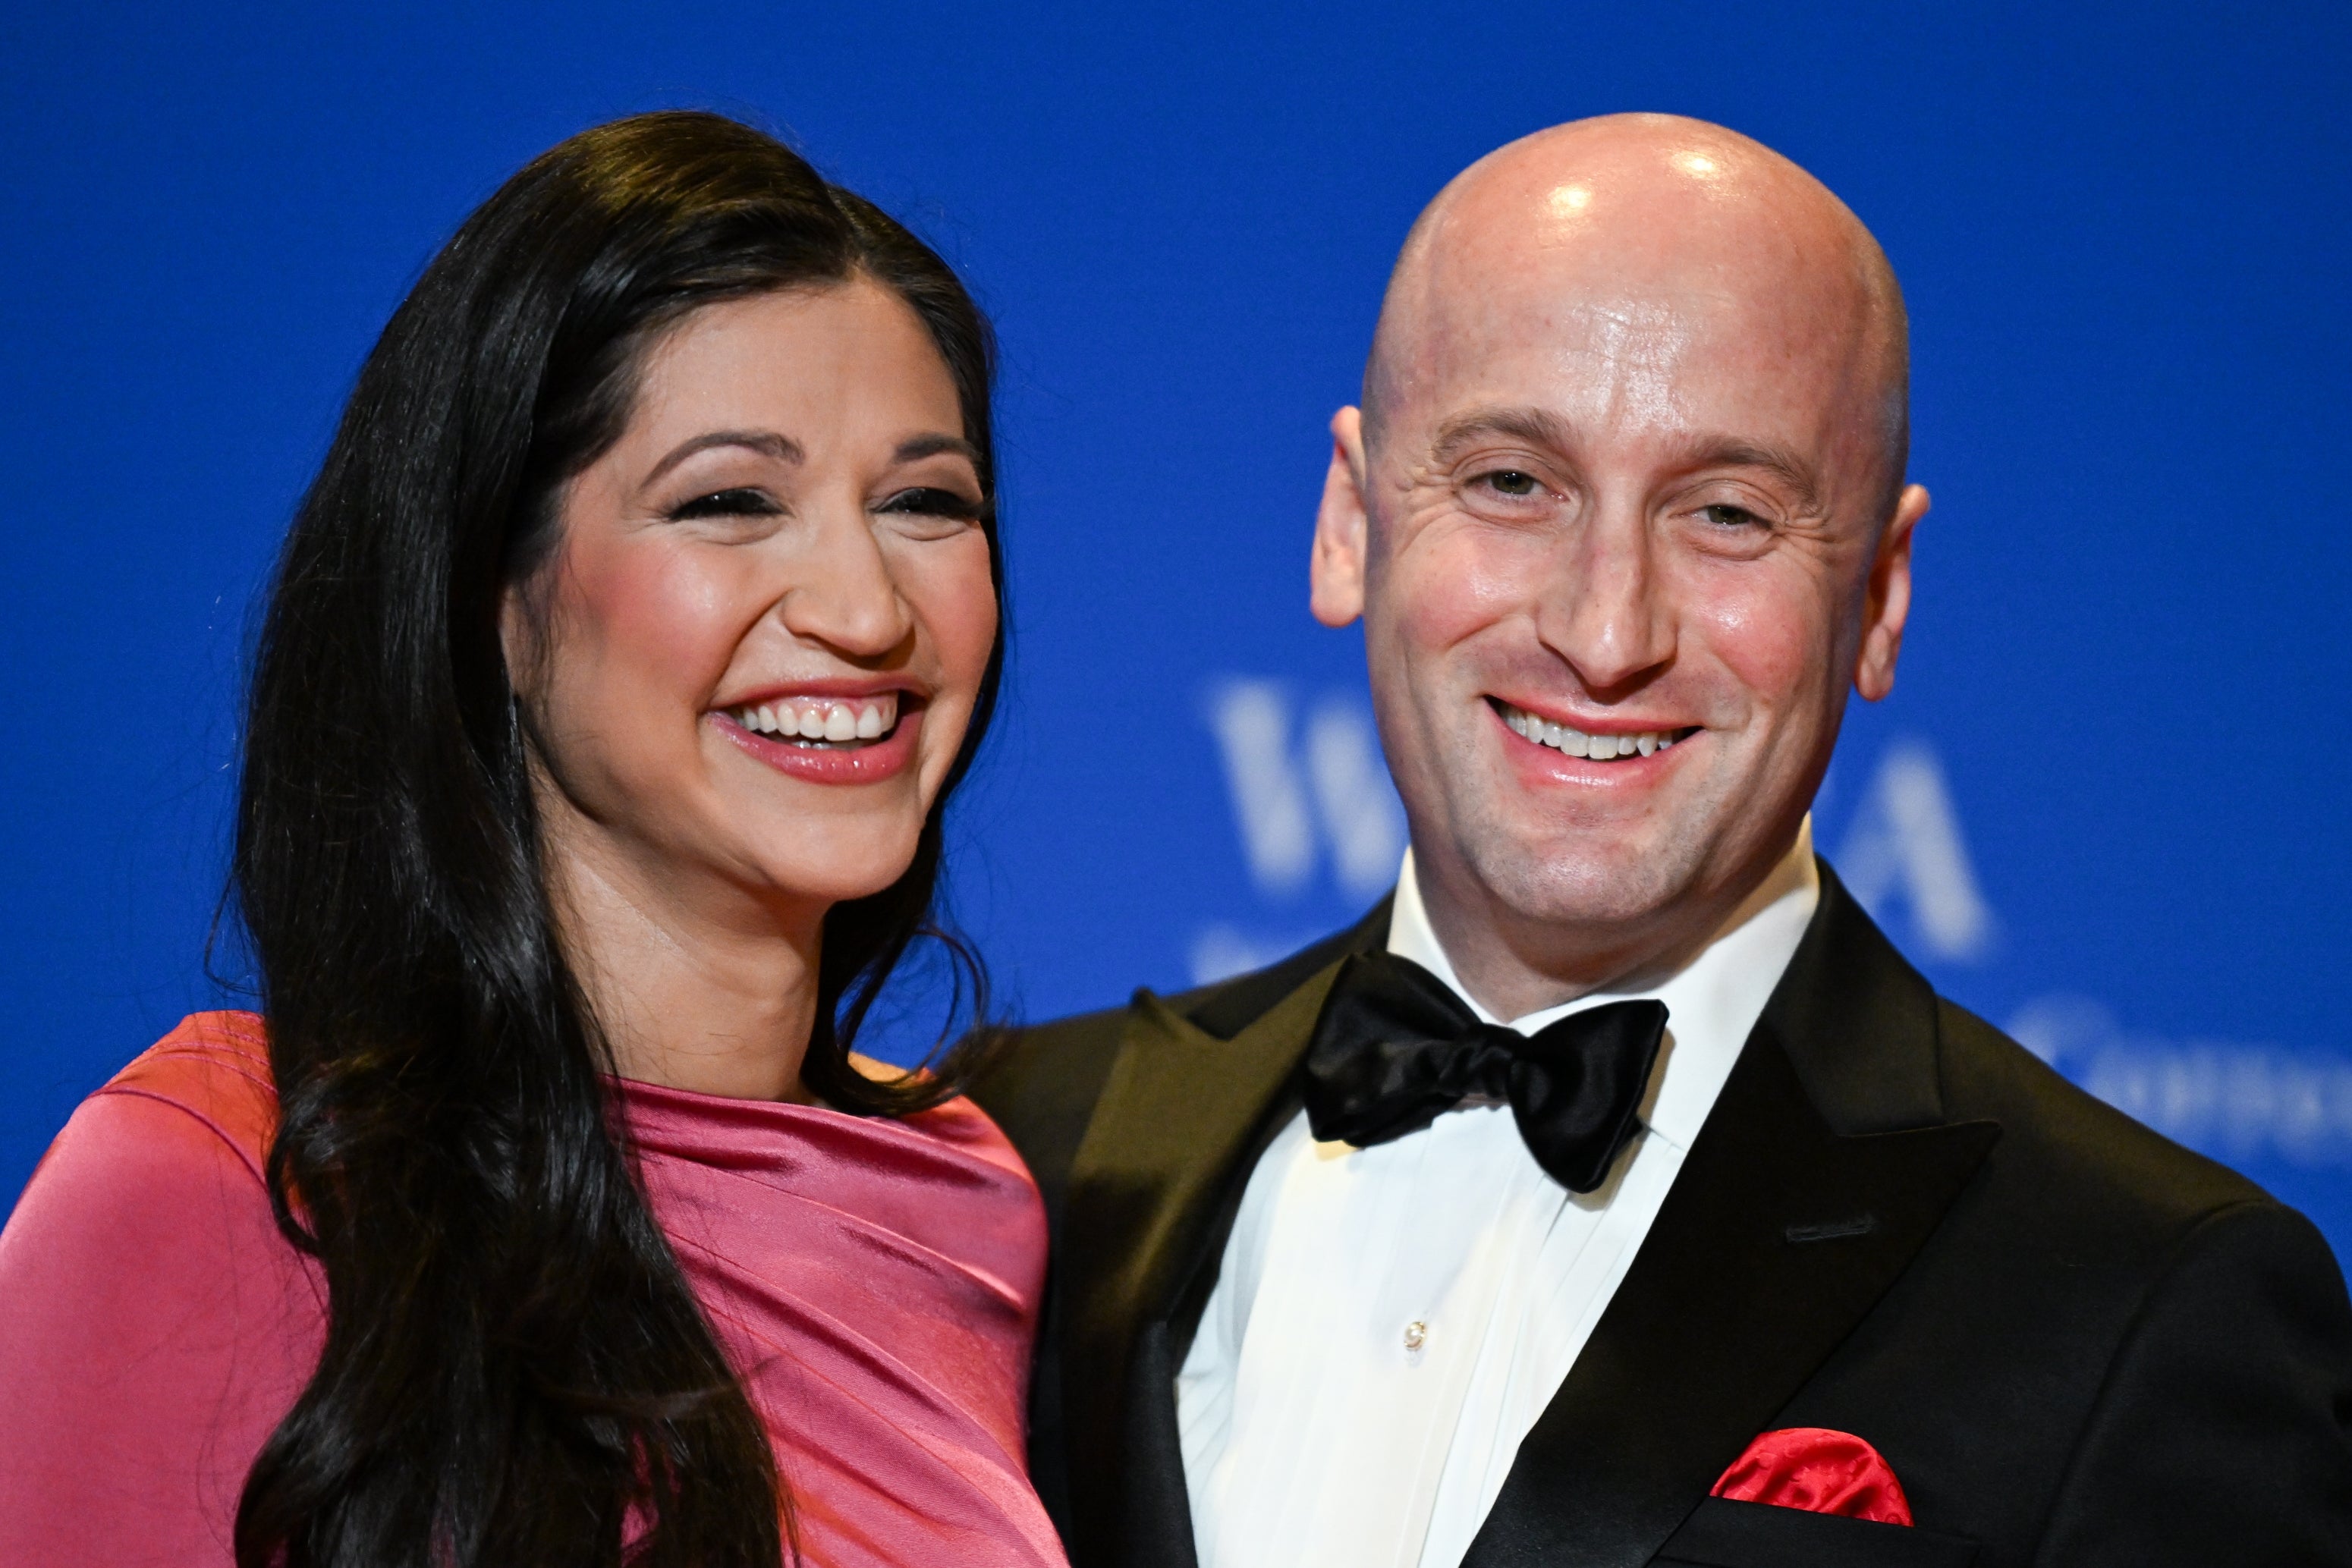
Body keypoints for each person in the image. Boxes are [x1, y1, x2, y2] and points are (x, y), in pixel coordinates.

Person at [973, 114, 2352, 1568]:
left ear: (1881, 595)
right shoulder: (1016, 1158)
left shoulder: (2143, 1298)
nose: (1605, 630)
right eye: (1513, 481)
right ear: (1349, 522)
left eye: (1728, 513)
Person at [0, 112, 1064, 1568]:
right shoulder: (225, 1183)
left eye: (925, 503)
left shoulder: (966, 1201)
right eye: (730, 502)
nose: (866, 610)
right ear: (493, 595)